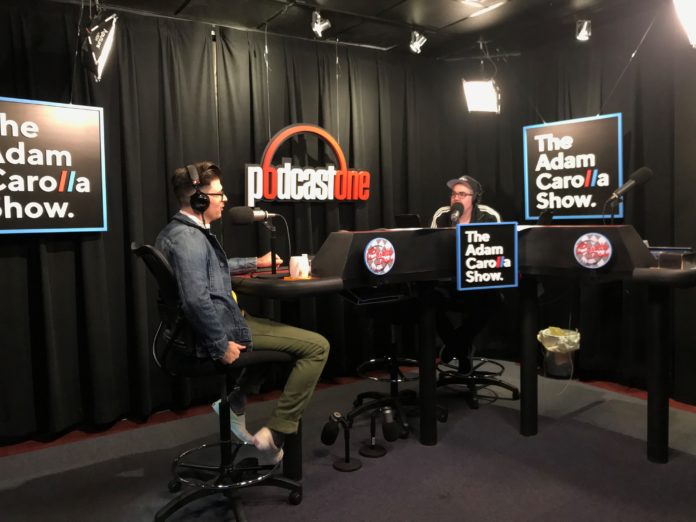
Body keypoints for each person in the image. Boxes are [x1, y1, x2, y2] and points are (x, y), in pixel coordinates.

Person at [155, 161, 329, 462]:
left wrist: (255, 262)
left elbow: (211, 269)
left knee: (275, 332)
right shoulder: (190, 240)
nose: (224, 199)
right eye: (218, 194)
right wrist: (220, 345)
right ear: (199, 199)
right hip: (218, 333)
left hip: (211, 327)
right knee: (317, 347)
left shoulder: (178, 232)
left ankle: (235, 403)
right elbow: (195, 301)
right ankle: (277, 432)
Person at [431, 175, 499, 368]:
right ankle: (461, 348)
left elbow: (499, 250)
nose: (456, 198)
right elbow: (431, 250)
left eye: (462, 194)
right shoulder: (442, 215)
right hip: (447, 282)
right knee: (428, 299)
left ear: (474, 198)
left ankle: (454, 346)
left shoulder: (489, 216)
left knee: (493, 300)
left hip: (478, 282)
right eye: (453, 194)